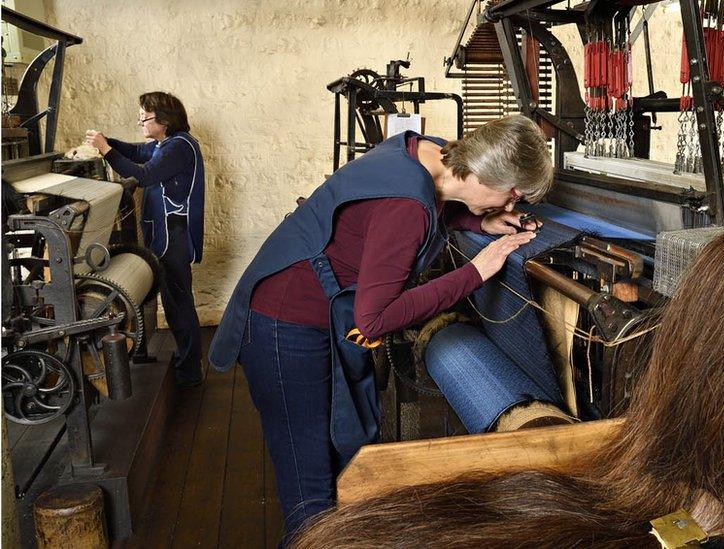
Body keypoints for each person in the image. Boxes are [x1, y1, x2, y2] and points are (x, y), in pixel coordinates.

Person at [208, 114, 552, 542]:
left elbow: (433, 207)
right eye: (511, 194)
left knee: (343, 461)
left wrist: (477, 223)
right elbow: (375, 317)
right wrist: (477, 271)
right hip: (283, 324)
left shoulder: (428, 152)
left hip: (297, 309)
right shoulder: (407, 205)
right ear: (484, 170)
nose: (509, 206)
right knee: (311, 490)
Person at [85, 91, 205, 387]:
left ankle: (190, 371)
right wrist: (107, 142)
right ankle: (186, 362)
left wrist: (106, 150)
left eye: (145, 117)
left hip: (172, 234)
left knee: (178, 301)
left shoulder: (178, 147)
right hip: (166, 232)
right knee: (174, 298)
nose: (140, 121)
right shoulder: (166, 144)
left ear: (164, 121)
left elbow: (145, 174)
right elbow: (139, 152)